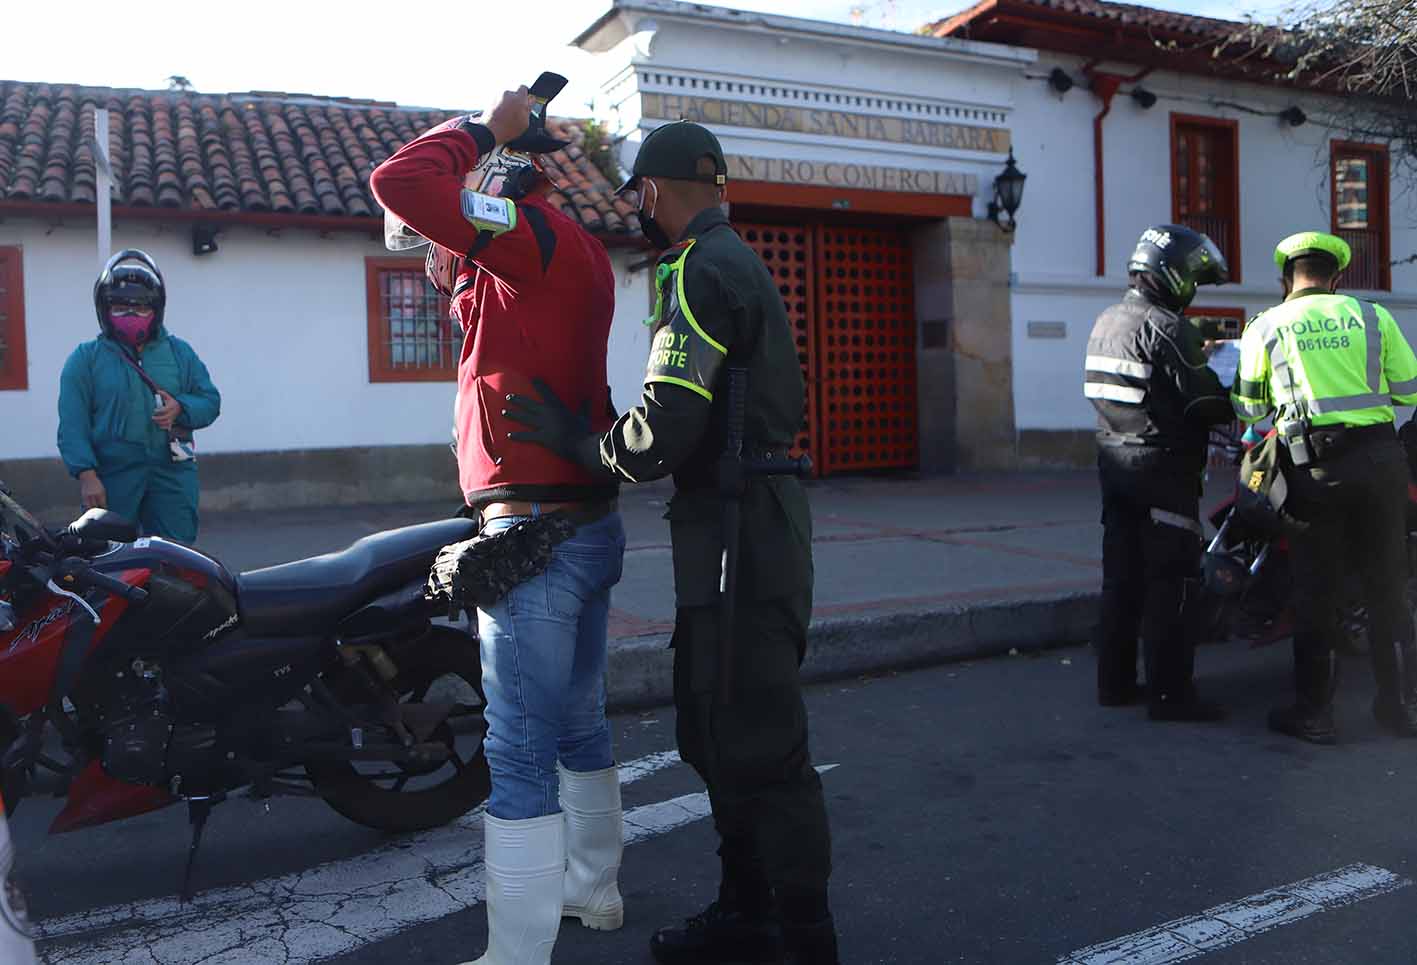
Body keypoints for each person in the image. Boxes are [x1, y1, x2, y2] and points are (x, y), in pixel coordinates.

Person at [503, 120, 838, 965]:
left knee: (754, 734)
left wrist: (585, 446)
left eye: (638, 200)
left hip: (737, 534)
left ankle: (798, 935)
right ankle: (751, 909)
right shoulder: (737, 258)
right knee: (718, 725)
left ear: (649, 193)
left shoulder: (695, 269)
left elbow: (659, 436)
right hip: (745, 523)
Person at [369, 86, 626, 965]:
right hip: (578, 524)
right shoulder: (562, 255)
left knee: (516, 749)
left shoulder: (528, 244)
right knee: (580, 722)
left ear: (494, 209)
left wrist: (483, 127)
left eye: (450, 244)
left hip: (533, 538)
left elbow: (398, 180)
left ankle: (514, 953)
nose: (441, 262)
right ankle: (592, 888)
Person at [1232, 231, 1417, 743]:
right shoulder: (1374, 317)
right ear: (1336, 278)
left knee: (1316, 593)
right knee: (1387, 588)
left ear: (1286, 279)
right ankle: (1400, 708)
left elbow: (1249, 408)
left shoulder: (1266, 326)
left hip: (1312, 472)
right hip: (1381, 466)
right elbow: (1409, 388)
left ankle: (1315, 714)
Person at [1083, 224, 1234, 721]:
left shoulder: (1107, 319)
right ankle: (1172, 696)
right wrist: (1229, 383)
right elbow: (1207, 402)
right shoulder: (1166, 327)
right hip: (1161, 471)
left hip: (1114, 462)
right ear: (1174, 276)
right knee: (1173, 582)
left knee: (1121, 581)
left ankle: (1115, 685)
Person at [57, 250, 220, 544]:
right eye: (120, 307)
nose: (131, 315)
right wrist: (86, 475)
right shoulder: (85, 360)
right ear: (104, 310)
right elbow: (72, 424)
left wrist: (181, 408)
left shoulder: (179, 353)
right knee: (107, 557)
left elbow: (210, 401)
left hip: (172, 473)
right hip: (112, 476)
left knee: (177, 557)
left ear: (157, 310)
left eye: (141, 307)